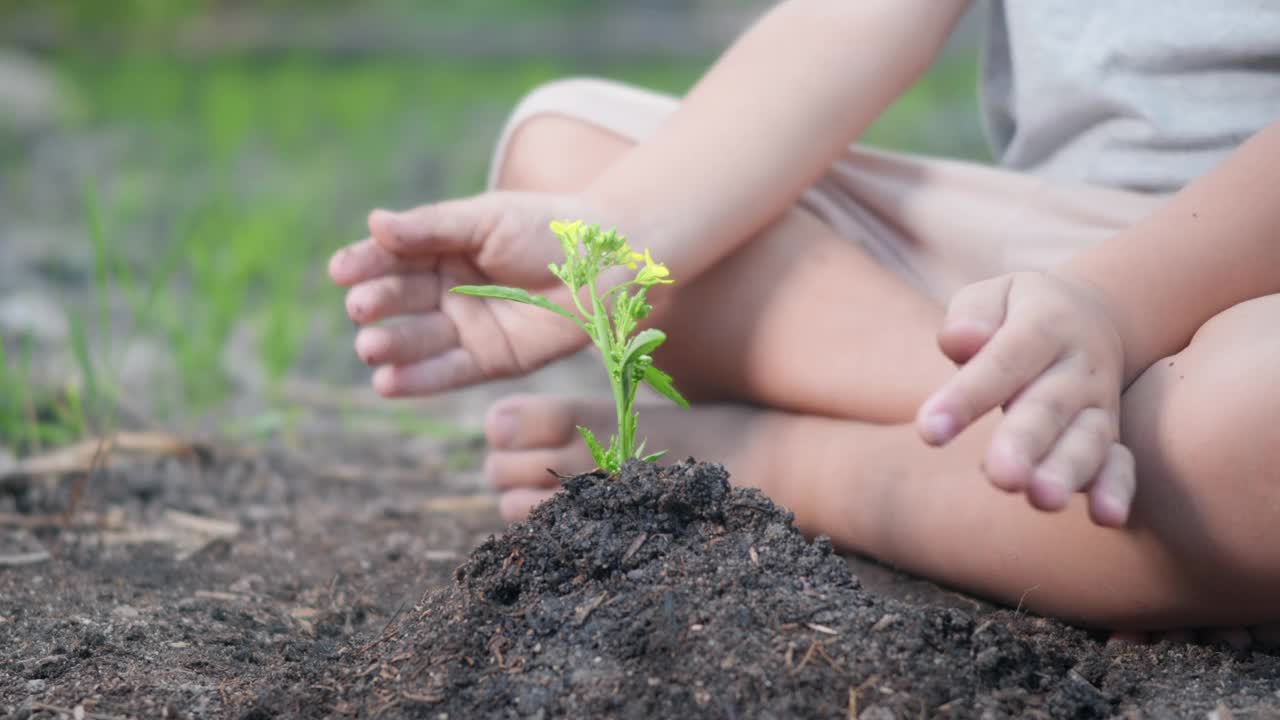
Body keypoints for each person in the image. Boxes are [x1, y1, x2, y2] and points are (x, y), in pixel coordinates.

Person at [328, 0, 1280, 647]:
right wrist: (629, 228)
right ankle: (1007, 393)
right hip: (1059, 244)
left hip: (1226, 278)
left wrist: (1113, 306)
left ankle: (783, 466)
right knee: (565, 146)